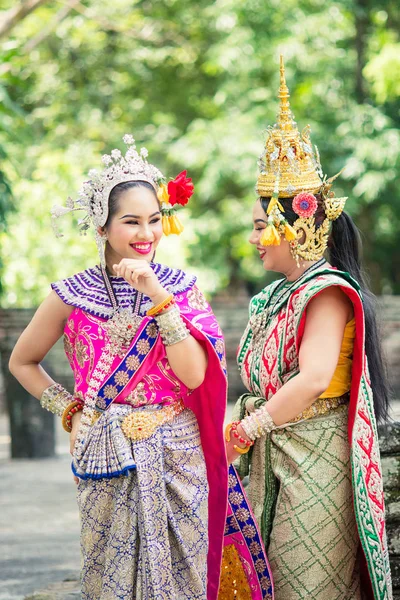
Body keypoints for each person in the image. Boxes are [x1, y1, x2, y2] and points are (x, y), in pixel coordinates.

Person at [9, 135, 228, 600]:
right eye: (131, 221)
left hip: (176, 452)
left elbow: (194, 377)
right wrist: (68, 411)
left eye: (154, 220)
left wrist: (159, 300)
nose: (145, 233)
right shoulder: (71, 293)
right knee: (108, 578)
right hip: (105, 452)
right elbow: (22, 361)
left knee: (183, 581)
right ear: (102, 227)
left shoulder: (182, 288)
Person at [224, 58, 393, 600]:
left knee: (305, 586)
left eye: (258, 226)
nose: (253, 239)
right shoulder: (276, 296)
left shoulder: (325, 292)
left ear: (290, 224)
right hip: (273, 456)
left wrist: (246, 430)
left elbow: (315, 378)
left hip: (314, 462)